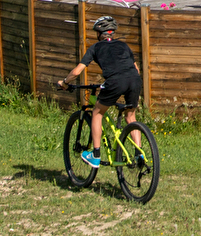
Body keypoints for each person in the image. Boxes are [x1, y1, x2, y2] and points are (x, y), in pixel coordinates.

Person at [57, 15, 143, 168]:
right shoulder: (124, 46)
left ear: (98, 33)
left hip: (115, 81)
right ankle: (139, 153)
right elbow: (136, 69)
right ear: (112, 33)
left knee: (97, 113)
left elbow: (77, 72)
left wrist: (64, 82)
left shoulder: (95, 48)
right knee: (130, 116)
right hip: (135, 80)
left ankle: (96, 155)